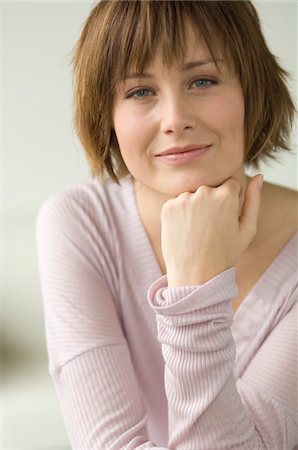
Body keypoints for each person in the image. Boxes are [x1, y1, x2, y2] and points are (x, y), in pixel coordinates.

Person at [36, 1, 297, 449]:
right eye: (140, 91)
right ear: (108, 114)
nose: (175, 119)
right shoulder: (80, 225)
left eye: (203, 80)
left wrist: (197, 291)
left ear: (251, 91)